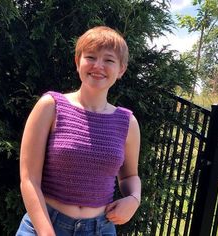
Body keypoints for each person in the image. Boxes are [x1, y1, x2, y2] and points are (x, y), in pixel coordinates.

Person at [16, 26, 141, 236]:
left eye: (109, 60)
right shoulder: (51, 106)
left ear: (121, 70)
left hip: (100, 229)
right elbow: (29, 179)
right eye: (90, 56)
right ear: (77, 62)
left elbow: (129, 175)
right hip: (43, 226)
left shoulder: (128, 122)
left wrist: (134, 198)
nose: (98, 66)